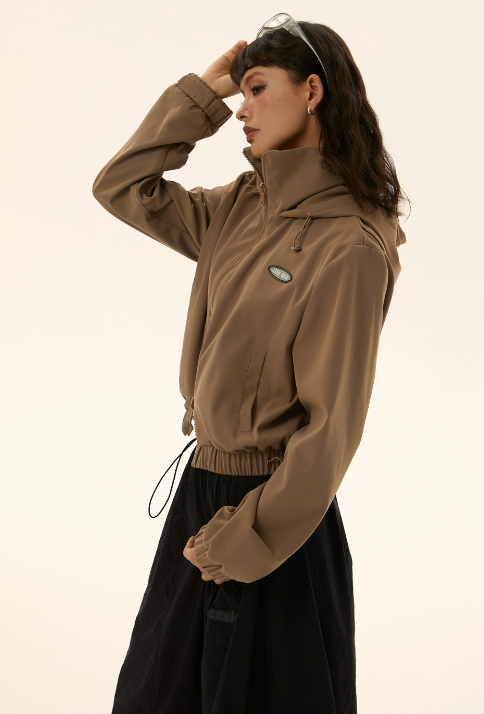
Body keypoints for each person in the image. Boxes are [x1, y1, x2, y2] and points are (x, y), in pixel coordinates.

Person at [92, 12, 408, 714]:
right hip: (199, 495)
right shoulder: (238, 208)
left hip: (275, 519)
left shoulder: (351, 245)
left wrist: (248, 538)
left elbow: (331, 428)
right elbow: (122, 186)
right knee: (154, 694)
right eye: (239, 92)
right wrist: (200, 97)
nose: (242, 108)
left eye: (258, 88)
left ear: (313, 92)